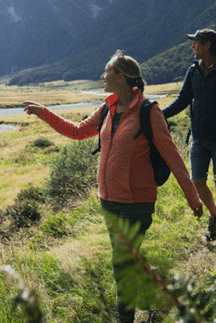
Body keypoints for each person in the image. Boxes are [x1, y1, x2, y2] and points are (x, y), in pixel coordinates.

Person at [23, 51, 203, 323]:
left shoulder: (149, 111)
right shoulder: (107, 108)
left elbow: (173, 157)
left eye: (106, 71)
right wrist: (43, 112)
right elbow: (77, 131)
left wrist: (193, 199)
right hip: (109, 200)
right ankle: (155, 285)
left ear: (120, 76)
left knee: (122, 263)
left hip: (137, 202)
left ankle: (124, 318)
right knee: (129, 258)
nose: (102, 76)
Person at [162, 29, 216, 247]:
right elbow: (182, 101)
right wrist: (156, 113)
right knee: (197, 181)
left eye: (196, 43)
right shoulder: (193, 71)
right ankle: (215, 215)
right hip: (198, 140)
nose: (193, 47)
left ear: (207, 45)